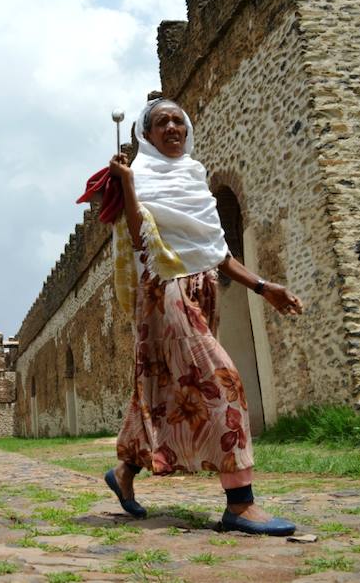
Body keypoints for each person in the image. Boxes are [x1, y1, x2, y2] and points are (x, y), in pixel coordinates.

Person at [103, 98, 304, 536]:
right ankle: (240, 503)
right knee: (222, 381)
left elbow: (218, 253)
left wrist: (264, 287)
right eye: (161, 123)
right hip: (165, 292)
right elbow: (140, 239)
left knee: (168, 388)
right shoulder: (138, 176)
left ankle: (123, 472)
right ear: (146, 135)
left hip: (203, 290)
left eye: (178, 120)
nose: (172, 127)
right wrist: (129, 184)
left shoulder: (195, 179)